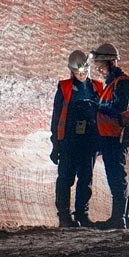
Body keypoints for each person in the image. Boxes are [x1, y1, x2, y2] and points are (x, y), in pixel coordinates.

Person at [50, 49, 100, 229]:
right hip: (68, 141)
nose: (81, 74)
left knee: (85, 179)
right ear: (71, 71)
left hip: (88, 142)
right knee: (65, 178)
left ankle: (82, 216)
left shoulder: (97, 88)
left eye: (84, 71)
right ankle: (64, 217)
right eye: (78, 72)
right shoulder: (64, 88)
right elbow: (56, 118)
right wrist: (55, 144)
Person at [90, 41, 129, 229]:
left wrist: (98, 106)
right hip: (108, 137)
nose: (100, 70)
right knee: (114, 178)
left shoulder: (122, 82)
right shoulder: (111, 83)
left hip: (116, 138)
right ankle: (120, 217)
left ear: (111, 63)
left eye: (101, 66)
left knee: (118, 178)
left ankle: (120, 219)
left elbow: (119, 107)